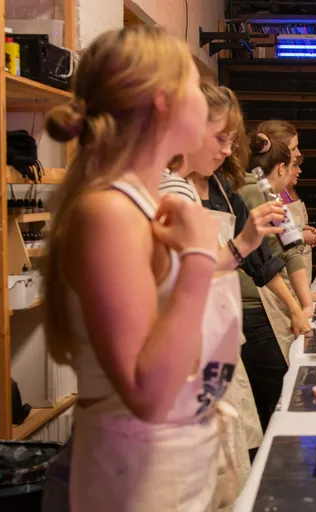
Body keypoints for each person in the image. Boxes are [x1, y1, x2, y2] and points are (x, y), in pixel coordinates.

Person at [42, 26, 237, 510]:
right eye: (195, 86)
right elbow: (147, 394)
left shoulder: (145, 202)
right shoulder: (108, 212)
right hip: (136, 480)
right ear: (163, 101)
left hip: (174, 466)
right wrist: (196, 258)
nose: (205, 100)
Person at [165, 85, 310, 432]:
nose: (229, 151)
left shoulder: (220, 189)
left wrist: (296, 307)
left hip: (217, 332)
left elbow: (263, 258)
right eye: (221, 139)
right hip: (184, 342)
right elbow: (187, 273)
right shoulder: (170, 190)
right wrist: (241, 244)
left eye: (233, 141)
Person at [241, 121, 316, 368]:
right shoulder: (261, 193)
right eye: (292, 165)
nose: (296, 166)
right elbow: (281, 255)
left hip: (271, 302)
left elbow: (289, 249)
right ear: (280, 168)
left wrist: (304, 304)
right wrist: (301, 306)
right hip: (257, 307)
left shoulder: (263, 191)